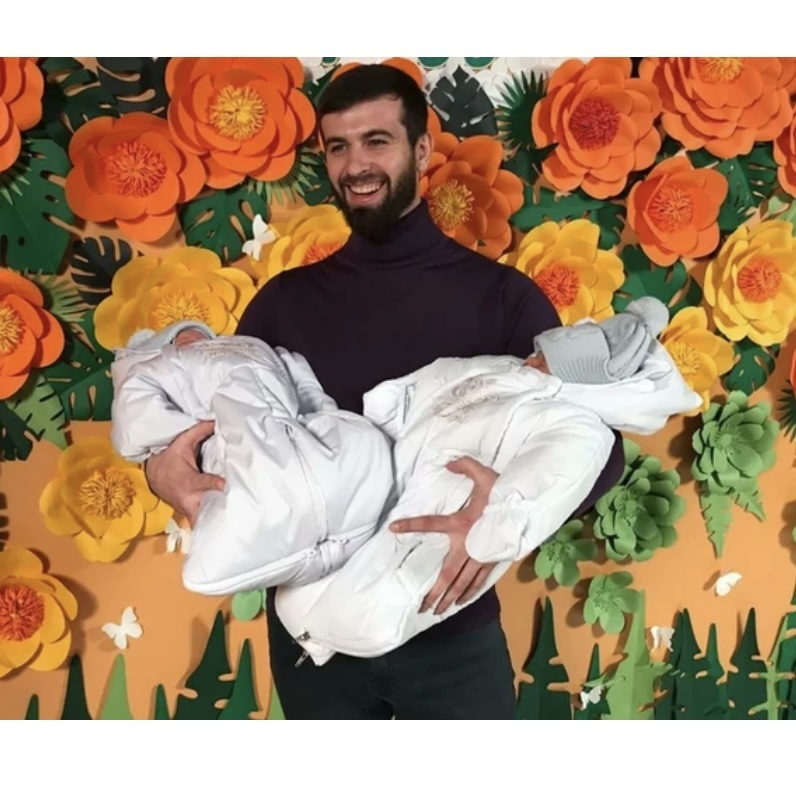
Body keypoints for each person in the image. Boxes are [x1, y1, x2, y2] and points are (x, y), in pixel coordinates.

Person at [144, 62, 626, 720]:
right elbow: (208, 435)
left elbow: (601, 448)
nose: (356, 166)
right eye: (338, 147)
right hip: (312, 642)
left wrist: (507, 508)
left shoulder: (503, 298)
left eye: (377, 141)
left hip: (451, 624)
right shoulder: (281, 306)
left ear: (421, 151)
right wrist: (161, 471)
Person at [275, 297, 701, 666]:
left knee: (365, 607)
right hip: (374, 501)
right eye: (538, 354)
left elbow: (545, 487)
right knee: (314, 581)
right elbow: (437, 380)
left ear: (582, 377)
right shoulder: (507, 371)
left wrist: (492, 528)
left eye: (545, 361)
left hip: (408, 569)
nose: (531, 360)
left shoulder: (578, 428)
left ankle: (331, 623)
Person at [110, 319, 394, 595]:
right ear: (163, 348)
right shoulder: (166, 366)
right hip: (253, 450)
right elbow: (133, 421)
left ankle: (316, 540)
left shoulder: (251, 346)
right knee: (248, 496)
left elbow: (306, 385)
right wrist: (183, 431)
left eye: (197, 333)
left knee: (365, 444)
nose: (194, 338)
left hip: (297, 447)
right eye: (182, 335)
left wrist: (327, 420)